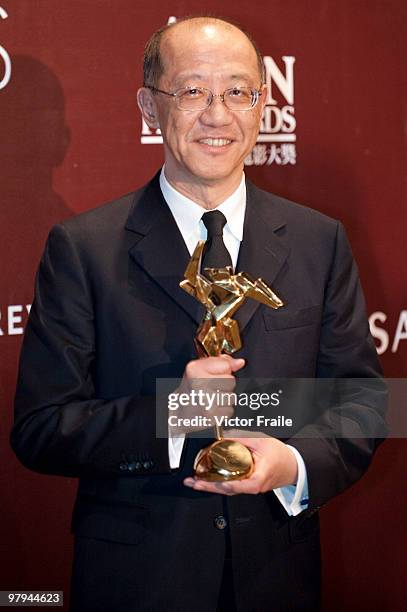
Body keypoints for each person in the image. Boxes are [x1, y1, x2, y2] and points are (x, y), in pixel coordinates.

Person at [11, 16, 386, 612]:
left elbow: (364, 400)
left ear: (263, 104)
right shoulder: (83, 248)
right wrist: (173, 414)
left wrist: (292, 462)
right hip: (136, 582)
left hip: (278, 575)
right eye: (192, 91)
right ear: (149, 107)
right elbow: (39, 430)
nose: (218, 114)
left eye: (238, 91)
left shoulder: (320, 241)